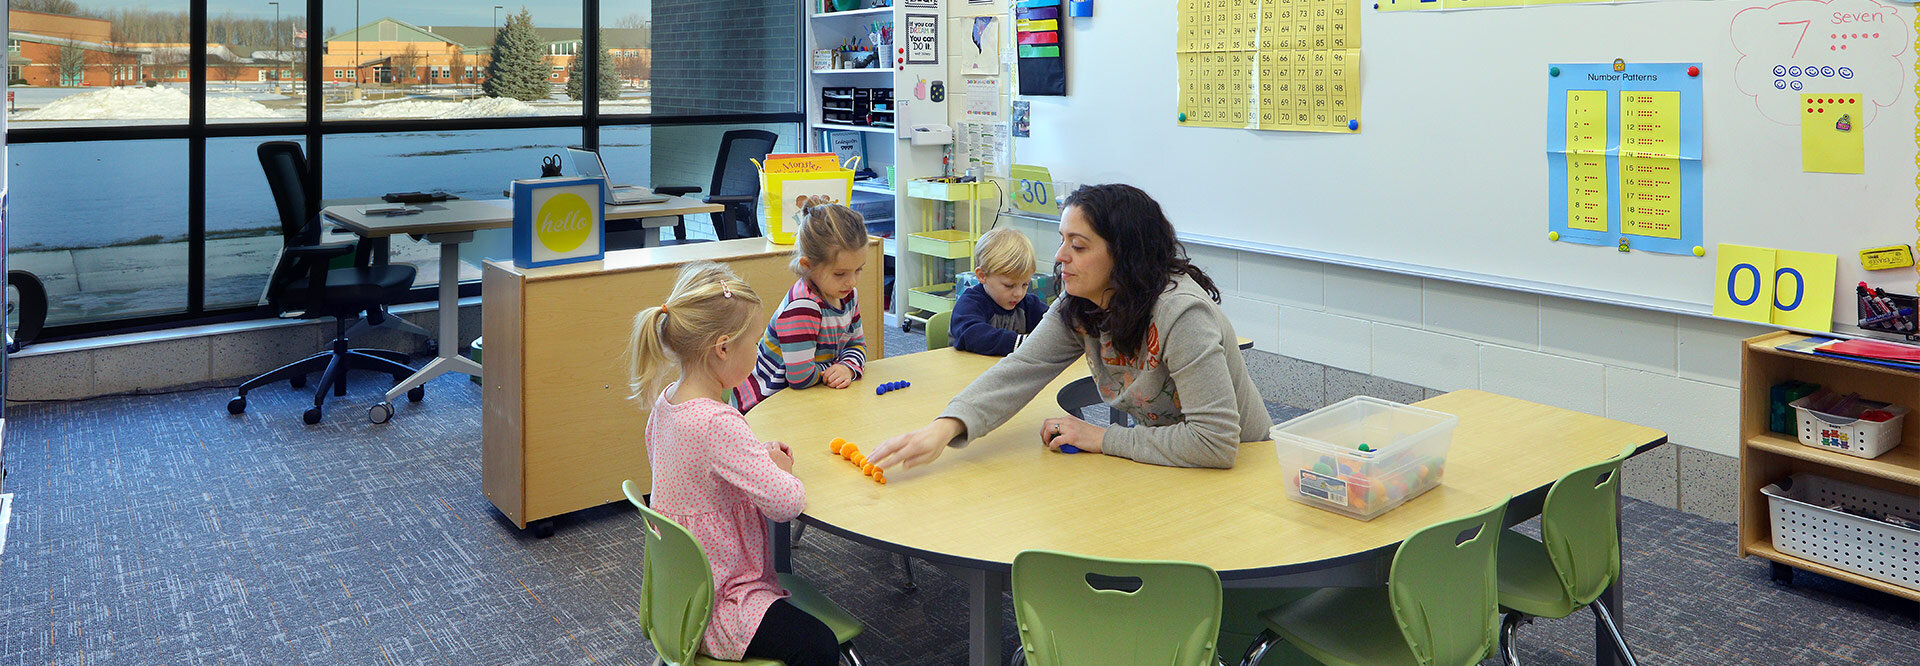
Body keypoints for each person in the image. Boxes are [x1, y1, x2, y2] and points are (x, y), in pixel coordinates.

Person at [870, 184, 1272, 470]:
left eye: (1078, 246)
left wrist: (1101, 437)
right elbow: (1021, 369)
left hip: (1240, 473)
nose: (1060, 256)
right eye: (1063, 241)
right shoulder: (1081, 304)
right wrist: (944, 428)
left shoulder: (1182, 315)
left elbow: (1214, 442)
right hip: (1167, 462)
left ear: (1125, 257)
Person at [629, 262, 841, 665]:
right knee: (818, 646)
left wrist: (757, 457)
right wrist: (781, 471)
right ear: (723, 348)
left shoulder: (668, 404)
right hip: (724, 604)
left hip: (682, 599)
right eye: (757, 342)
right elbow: (786, 504)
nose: (760, 351)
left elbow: (702, 473)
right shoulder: (717, 422)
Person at [733, 204, 870, 413]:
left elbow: (857, 344)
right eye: (840, 274)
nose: (852, 282)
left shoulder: (847, 294)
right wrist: (834, 368)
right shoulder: (802, 307)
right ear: (807, 265)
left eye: (858, 270)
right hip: (765, 406)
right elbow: (800, 377)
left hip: (809, 396)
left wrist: (847, 368)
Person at [950, 227, 1051, 356]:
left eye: (1025, 284)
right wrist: (1023, 343)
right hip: (967, 371)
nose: (1019, 293)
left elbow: (1054, 322)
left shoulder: (1028, 304)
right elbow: (973, 336)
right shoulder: (970, 303)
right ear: (982, 276)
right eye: (1009, 286)